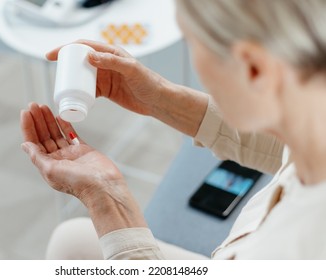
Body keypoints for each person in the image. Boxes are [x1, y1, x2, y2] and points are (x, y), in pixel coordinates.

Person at [20, 0, 326, 259]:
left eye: (192, 42)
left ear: (253, 68)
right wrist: (160, 98)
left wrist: (107, 200)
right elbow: (286, 146)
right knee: (72, 242)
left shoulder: (299, 244)